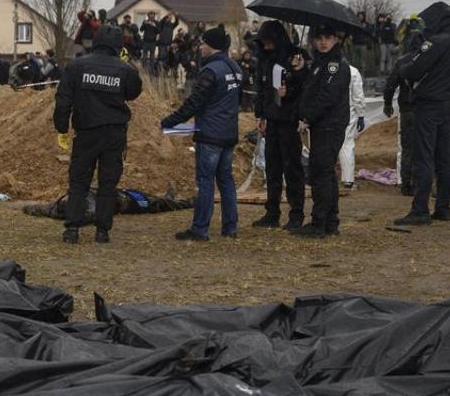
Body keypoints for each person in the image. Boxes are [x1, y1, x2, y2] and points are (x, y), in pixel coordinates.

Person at [53, 24, 143, 244]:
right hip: (114, 134)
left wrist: (62, 128)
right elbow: (133, 93)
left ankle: (72, 229)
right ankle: (102, 231)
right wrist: (127, 63)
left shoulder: (76, 66)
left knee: (78, 182)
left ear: (95, 41)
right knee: (108, 183)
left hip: (86, 133)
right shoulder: (124, 69)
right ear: (119, 45)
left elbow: (63, 100)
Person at [162, 27, 243, 241]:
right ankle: (230, 227)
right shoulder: (235, 68)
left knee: (205, 181)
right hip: (229, 133)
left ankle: (200, 229)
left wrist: (169, 122)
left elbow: (194, 103)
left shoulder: (210, 71)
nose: (200, 47)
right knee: (226, 180)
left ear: (212, 45)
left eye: (203, 43)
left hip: (210, 135)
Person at [395, 2, 450, 226]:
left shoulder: (436, 42)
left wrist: (411, 55)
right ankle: (444, 207)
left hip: (428, 105)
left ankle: (420, 210)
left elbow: (412, 69)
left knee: (423, 157)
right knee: (444, 157)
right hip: (446, 104)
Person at [290, 25, 352, 239]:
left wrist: (307, 117)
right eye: (319, 38)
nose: (323, 42)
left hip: (329, 125)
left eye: (328, 38)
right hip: (322, 125)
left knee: (320, 174)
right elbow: (310, 89)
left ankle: (320, 223)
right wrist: (300, 71)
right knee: (325, 173)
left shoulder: (336, 66)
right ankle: (330, 221)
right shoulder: (320, 63)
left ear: (336, 38)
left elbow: (326, 96)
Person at [251, 21, 307, 230]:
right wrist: (260, 116)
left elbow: (304, 88)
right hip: (271, 120)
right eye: (262, 43)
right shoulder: (265, 60)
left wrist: (290, 90)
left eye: (268, 42)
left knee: (292, 169)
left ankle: (296, 214)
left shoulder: (296, 58)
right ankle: (272, 213)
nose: (265, 47)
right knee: (272, 170)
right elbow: (262, 89)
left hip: (289, 121)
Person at [385, 15, 424, 196]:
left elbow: (390, 84)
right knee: (422, 147)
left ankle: (406, 184)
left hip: (408, 109)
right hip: (422, 109)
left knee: (407, 148)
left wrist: (387, 104)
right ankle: (417, 182)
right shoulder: (428, 61)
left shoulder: (402, 61)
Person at [339, 63, 366, 190]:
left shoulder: (322, 68)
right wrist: (361, 115)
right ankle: (348, 180)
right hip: (348, 113)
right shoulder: (353, 71)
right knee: (346, 144)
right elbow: (358, 96)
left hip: (327, 114)